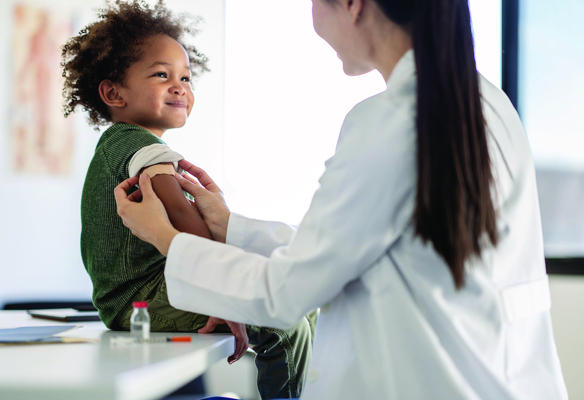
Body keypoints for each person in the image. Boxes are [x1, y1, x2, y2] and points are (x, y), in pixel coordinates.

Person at [114, 0, 568, 398]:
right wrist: (231, 226)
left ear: (352, 4)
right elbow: (364, 249)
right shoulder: (489, 103)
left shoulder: (389, 122)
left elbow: (286, 291)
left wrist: (165, 237)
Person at [61, 1, 312, 398]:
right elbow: (179, 212)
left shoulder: (125, 147)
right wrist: (219, 287)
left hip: (138, 297)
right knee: (287, 324)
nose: (180, 86)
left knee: (300, 305)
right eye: (161, 75)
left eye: (186, 77)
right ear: (113, 92)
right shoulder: (138, 145)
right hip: (143, 300)